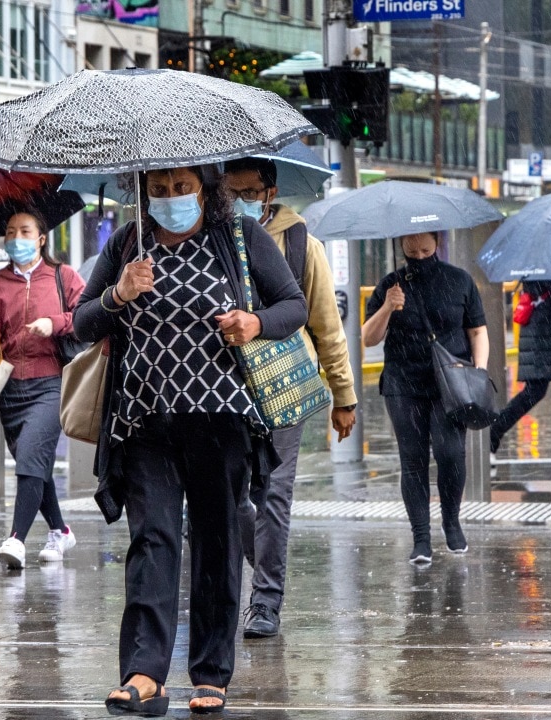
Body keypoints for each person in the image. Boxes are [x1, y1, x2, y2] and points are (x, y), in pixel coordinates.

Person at [74, 165, 306, 716]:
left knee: (217, 540)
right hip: (144, 420)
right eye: (159, 189)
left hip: (220, 418)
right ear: (143, 191)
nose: (171, 198)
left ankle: (210, 672)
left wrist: (253, 323)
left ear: (205, 187)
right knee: (152, 539)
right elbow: (81, 322)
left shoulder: (240, 238)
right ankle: (144, 672)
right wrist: (118, 294)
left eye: (182, 187)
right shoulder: (129, 243)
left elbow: (292, 306)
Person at [222, 157, 359, 640]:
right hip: (227, 387)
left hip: (283, 386)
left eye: (248, 191)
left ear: (270, 191)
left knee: (274, 492)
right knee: (235, 495)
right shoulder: (213, 238)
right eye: (230, 191)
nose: (239, 200)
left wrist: (344, 395)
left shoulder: (301, 241)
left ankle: (265, 602)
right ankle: (265, 561)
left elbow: (325, 324)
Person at [0, 209, 83, 570]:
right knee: (36, 465)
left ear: (41, 239)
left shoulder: (64, 277)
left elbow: (88, 317)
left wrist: (54, 322)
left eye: (25, 231)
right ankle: (60, 530)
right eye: (10, 232)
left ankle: (16, 539)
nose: (17, 238)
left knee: (30, 455)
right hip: (10, 387)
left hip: (52, 382)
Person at [363, 231, 489, 565]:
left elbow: (477, 330)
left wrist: (479, 371)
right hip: (403, 382)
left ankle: (451, 520)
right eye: (411, 248)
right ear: (401, 244)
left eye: (426, 248)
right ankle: (421, 537)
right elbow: (369, 338)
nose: (419, 254)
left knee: (450, 453)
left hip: (450, 383)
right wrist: (389, 306)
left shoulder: (459, 280)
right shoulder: (390, 285)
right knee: (413, 460)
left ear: (437, 243)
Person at [490, 277, 551, 471]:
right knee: (538, 390)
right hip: (549, 328)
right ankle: (493, 432)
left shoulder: (538, 260)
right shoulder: (547, 262)